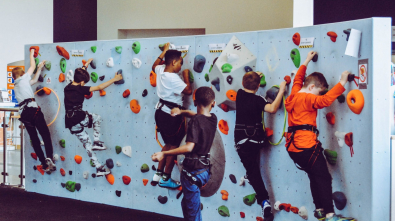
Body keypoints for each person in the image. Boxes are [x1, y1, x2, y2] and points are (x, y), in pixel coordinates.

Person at [285, 51, 353, 221]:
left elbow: (298, 79)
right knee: (323, 177)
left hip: (293, 148)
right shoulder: (308, 98)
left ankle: (320, 210)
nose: (318, 96)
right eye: (318, 92)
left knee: (314, 176)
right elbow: (325, 101)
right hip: (306, 147)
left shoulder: (294, 94)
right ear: (311, 88)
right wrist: (342, 82)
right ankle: (330, 216)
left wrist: (306, 60)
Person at [152, 86, 216, 221]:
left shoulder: (195, 122)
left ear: (195, 102)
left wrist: (165, 154)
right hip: (204, 171)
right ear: (213, 103)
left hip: (193, 172)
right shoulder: (212, 119)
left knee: (193, 214)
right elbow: (197, 115)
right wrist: (181, 112)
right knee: (187, 205)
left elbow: (188, 147)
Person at [234, 71, 286, 220]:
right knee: (252, 169)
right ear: (258, 86)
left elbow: (245, 85)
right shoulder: (259, 99)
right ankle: (254, 183)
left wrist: (252, 76)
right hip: (257, 141)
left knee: (252, 170)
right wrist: (281, 90)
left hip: (242, 141)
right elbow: (272, 109)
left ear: (243, 84)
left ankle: (264, 201)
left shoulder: (239, 94)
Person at [64, 59, 122, 176]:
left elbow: (79, 75)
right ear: (81, 83)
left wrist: (84, 67)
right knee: (97, 118)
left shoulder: (68, 86)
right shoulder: (81, 88)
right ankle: (97, 141)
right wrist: (114, 79)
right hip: (79, 117)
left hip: (70, 123)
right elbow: (99, 87)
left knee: (86, 144)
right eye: (84, 82)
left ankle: (99, 167)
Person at [151, 43, 193, 189]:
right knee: (173, 146)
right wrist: (186, 76)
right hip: (171, 116)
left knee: (167, 145)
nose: (181, 67)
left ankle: (157, 174)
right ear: (174, 62)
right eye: (181, 63)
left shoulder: (161, 69)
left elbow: (154, 65)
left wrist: (164, 52)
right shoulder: (172, 78)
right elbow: (188, 91)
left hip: (160, 113)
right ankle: (166, 178)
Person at [13, 48, 56, 173]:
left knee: (35, 139)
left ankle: (44, 163)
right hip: (32, 110)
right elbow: (32, 66)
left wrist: (39, 69)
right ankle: (49, 157)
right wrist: (32, 53)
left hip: (24, 114)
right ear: (22, 74)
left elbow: (34, 80)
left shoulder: (18, 84)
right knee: (45, 134)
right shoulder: (23, 78)